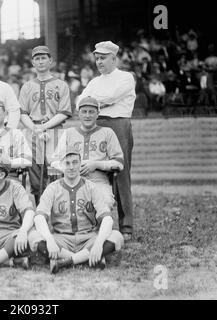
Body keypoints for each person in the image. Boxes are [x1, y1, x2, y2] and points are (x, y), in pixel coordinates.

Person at [28, 148, 124, 274]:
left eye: (75, 162)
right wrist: (50, 241)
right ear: (62, 165)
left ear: (80, 164)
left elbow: (106, 218)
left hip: (89, 238)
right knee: (33, 236)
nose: (71, 167)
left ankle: (65, 261)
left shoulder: (91, 187)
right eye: (67, 163)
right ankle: (89, 258)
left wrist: (98, 243)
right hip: (61, 238)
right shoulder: (53, 188)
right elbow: (39, 217)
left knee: (117, 236)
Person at [76, 41, 136, 241]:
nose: (99, 62)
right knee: (98, 174)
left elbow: (110, 97)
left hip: (118, 124)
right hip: (97, 126)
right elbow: (79, 101)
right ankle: (98, 223)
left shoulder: (126, 77)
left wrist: (92, 101)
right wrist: (92, 102)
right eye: (97, 58)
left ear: (114, 58)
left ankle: (126, 226)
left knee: (120, 172)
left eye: (103, 58)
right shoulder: (94, 81)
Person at [19, 46, 72, 205]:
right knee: (35, 176)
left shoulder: (61, 84)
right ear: (33, 62)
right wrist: (34, 128)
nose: (40, 61)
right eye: (37, 58)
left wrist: (44, 126)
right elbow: (22, 113)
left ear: (51, 61)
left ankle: (59, 210)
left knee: (56, 172)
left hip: (55, 131)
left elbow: (64, 112)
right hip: (32, 131)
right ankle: (41, 210)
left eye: (43, 58)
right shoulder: (27, 86)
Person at [51, 96, 124, 208]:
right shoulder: (69, 133)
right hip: (71, 181)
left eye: (91, 112)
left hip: (98, 182)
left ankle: (100, 225)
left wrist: (96, 164)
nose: (87, 115)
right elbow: (54, 160)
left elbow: (119, 163)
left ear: (97, 114)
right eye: (84, 112)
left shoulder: (107, 133)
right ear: (78, 113)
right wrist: (70, 168)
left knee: (105, 201)